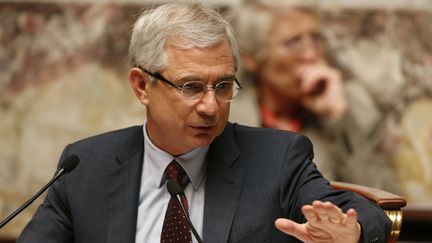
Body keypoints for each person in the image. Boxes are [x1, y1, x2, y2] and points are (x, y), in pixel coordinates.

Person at [17, 3, 391, 243]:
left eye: (224, 85)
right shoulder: (85, 166)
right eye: (191, 87)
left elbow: (368, 216)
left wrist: (352, 230)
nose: (211, 106)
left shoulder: (277, 159)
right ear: (142, 85)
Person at [230, 0, 400, 193]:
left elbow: (385, 202)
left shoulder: (355, 110)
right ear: (252, 58)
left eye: (316, 38)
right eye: (293, 41)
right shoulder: (225, 117)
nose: (311, 54)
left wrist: (339, 120)